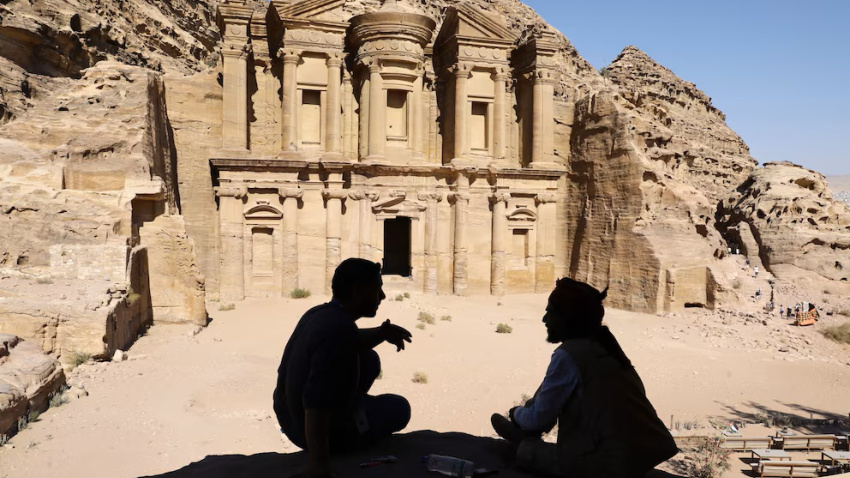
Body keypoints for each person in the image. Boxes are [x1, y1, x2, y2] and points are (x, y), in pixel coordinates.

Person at [490, 278, 677, 478]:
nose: (545, 319)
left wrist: (515, 413)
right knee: (547, 394)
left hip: (608, 462)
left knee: (533, 453)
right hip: (642, 454)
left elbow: (540, 420)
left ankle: (522, 440)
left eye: (550, 312)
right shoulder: (605, 346)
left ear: (567, 318)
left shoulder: (568, 355)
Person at [273, 258, 413, 478]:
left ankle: (347, 412)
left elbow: (352, 339)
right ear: (358, 291)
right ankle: (342, 427)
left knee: (369, 360)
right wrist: (319, 464)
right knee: (399, 408)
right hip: (305, 428)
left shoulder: (321, 313)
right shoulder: (337, 331)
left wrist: (381, 333)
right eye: (378, 290)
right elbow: (315, 402)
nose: (383, 297)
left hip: (288, 413)